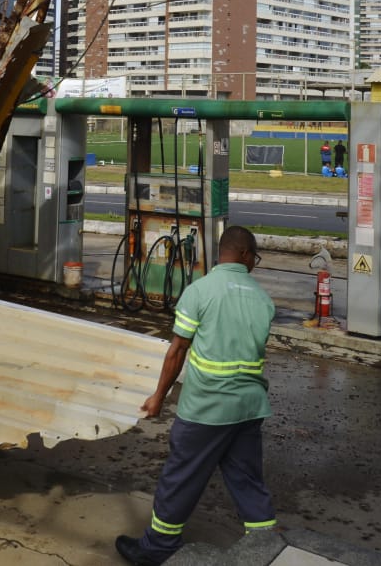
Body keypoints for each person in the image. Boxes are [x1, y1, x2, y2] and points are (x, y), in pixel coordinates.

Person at [117, 226, 276, 564]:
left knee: (181, 476)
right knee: (247, 480)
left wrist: (159, 395)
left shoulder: (199, 291)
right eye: (254, 257)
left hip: (206, 408)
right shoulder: (263, 299)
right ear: (245, 254)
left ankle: (157, 549)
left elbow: (177, 351)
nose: (254, 263)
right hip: (248, 408)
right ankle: (267, 546)